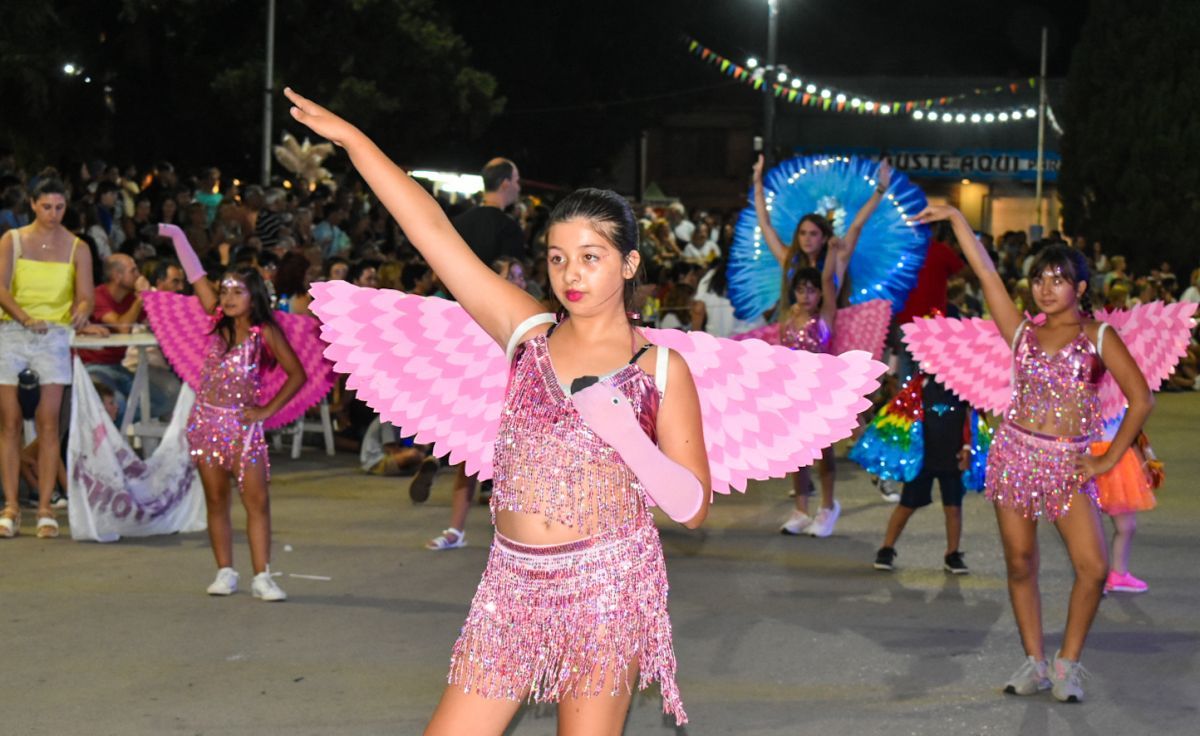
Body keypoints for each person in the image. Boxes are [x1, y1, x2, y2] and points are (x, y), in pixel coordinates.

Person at [286, 87, 709, 730]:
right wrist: (355, 143)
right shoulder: (528, 332)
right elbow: (431, 230)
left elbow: (693, 506)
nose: (572, 273)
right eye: (558, 257)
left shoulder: (662, 369)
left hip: (608, 586)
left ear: (628, 264)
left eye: (591, 258)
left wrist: (625, 431)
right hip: (510, 582)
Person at [914, 204, 1152, 704]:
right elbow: (983, 269)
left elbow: (1141, 398)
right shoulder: (1021, 333)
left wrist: (1107, 462)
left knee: (1092, 567)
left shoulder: (1097, 338)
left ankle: (1067, 665)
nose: (1046, 287)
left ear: (1080, 288)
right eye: (1039, 278)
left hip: (1068, 465)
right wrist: (957, 218)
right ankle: (1034, 663)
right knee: (1020, 562)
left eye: (1059, 279)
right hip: (1014, 456)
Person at [159, 224, 306, 600]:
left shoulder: (265, 334)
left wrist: (265, 410)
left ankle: (262, 576)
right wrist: (177, 235)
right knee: (215, 500)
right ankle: (225, 571)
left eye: (236, 291)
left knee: (256, 501)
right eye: (224, 290)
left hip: (244, 428)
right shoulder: (213, 320)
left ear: (253, 296)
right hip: (206, 422)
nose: (226, 297)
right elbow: (195, 275)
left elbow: (297, 374)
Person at [0, 178, 101, 538]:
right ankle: (11, 506)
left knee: (48, 422)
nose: (53, 214)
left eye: (59, 207)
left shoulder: (78, 247)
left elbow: (86, 295)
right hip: (11, 332)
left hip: (55, 336)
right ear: (32, 204)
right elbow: (0, 287)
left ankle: (45, 508)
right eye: (46, 207)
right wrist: (24, 317)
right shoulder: (12, 240)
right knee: (9, 422)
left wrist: (82, 311)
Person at [752, 153, 891, 311]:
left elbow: (857, 225)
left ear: (824, 238)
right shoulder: (789, 260)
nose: (806, 239)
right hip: (794, 328)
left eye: (813, 234)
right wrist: (757, 183)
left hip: (830, 330)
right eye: (802, 233)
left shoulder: (838, 257)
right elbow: (765, 225)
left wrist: (880, 190)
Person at [873, 378, 972, 574]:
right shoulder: (921, 384)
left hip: (952, 456)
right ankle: (887, 548)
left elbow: (971, 420)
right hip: (923, 457)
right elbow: (904, 415)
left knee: (953, 508)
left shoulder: (965, 387)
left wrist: (967, 448)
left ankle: (952, 554)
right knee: (907, 505)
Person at [776, 259, 842, 537]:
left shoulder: (824, 319)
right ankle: (801, 510)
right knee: (797, 456)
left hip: (820, 394)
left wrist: (833, 254)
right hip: (794, 393)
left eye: (812, 290)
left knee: (823, 454)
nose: (806, 295)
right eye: (801, 290)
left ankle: (827, 507)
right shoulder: (786, 321)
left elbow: (829, 282)